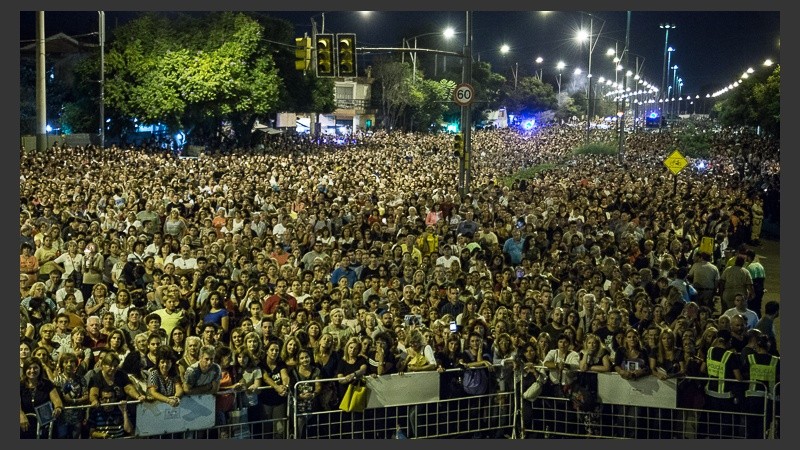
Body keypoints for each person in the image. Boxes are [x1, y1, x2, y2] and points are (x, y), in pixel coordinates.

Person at [703, 329, 743, 438]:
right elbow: (738, 378)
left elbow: (703, 369)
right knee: (725, 427)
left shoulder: (710, 351)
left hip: (710, 394)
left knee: (713, 425)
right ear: (729, 341)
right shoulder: (730, 355)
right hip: (725, 397)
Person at [742, 334, 780, 439]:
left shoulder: (750, 358)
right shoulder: (776, 360)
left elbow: (744, 374)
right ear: (768, 347)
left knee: (751, 427)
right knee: (763, 428)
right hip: (770, 399)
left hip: (753, 397)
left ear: (757, 346)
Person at [20, 356, 65, 439]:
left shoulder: (47, 384)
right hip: (25, 425)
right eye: (29, 368)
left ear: (40, 369)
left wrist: (58, 408)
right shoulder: (20, 385)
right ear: (25, 370)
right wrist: (21, 415)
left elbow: (57, 401)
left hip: (45, 426)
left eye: (35, 368)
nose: (32, 371)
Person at [291, 348, 322, 438]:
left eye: (306, 357)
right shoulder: (293, 371)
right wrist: (299, 396)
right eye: (302, 358)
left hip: (312, 404)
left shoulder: (316, 370)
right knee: (299, 430)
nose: (305, 360)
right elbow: (291, 387)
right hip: (297, 405)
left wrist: (313, 394)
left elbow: (318, 386)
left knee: (312, 430)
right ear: (298, 360)